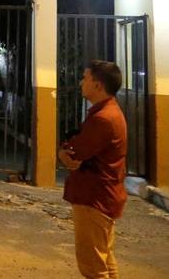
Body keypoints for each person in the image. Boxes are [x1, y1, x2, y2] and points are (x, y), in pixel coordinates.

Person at [59, 60, 127, 278]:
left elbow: (75, 153)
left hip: (94, 198)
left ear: (97, 85)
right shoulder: (109, 112)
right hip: (104, 196)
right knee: (105, 259)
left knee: (93, 266)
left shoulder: (103, 119)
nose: (81, 83)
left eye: (85, 78)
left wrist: (63, 152)